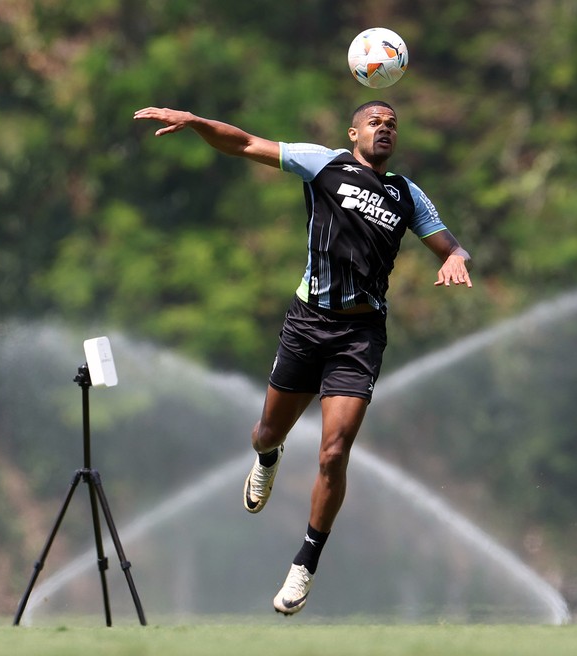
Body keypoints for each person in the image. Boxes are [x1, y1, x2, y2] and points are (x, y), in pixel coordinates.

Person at [133, 100, 472, 615]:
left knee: (334, 452)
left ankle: (305, 563)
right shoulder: (325, 164)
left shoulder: (407, 194)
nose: (385, 129)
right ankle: (268, 457)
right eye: (375, 122)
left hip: (360, 336)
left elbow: (452, 246)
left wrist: (453, 258)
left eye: (393, 124)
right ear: (353, 132)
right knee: (266, 432)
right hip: (307, 324)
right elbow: (245, 143)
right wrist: (198, 123)